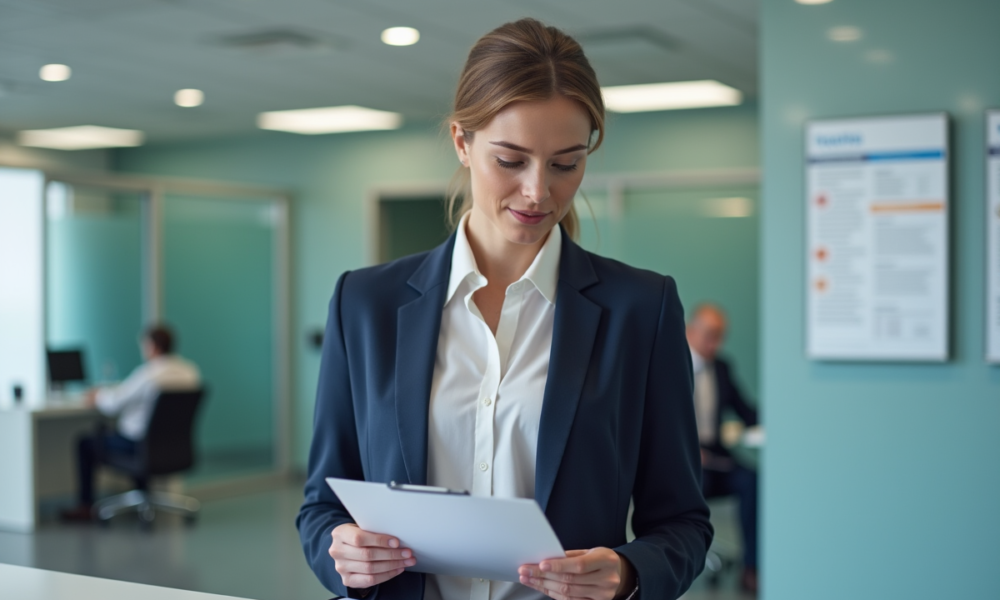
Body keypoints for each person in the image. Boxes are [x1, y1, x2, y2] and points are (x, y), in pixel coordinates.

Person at [297, 18, 712, 600]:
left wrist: (629, 574)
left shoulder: (641, 310)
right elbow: (321, 508)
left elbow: (683, 523)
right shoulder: (365, 304)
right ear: (462, 143)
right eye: (511, 161)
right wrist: (341, 551)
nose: (538, 192)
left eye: (565, 164)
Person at [60, 324, 201, 521]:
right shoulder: (190, 372)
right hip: (174, 447)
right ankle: (142, 498)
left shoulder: (149, 374)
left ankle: (85, 506)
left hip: (138, 445)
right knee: (137, 433)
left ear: (152, 346)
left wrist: (97, 396)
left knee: (85, 443)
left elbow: (114, 403)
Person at [685, 304, 759, 594]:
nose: (714, 343)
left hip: (717, 456)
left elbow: (745, 409)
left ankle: (751, 567)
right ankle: (685, 562)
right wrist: (688, 451)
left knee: (752, 480)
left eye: (719, 336)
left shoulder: (722, 368)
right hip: (685, 459)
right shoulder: (670, 366)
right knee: (690, 488)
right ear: (691, 332)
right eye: (709, 335)